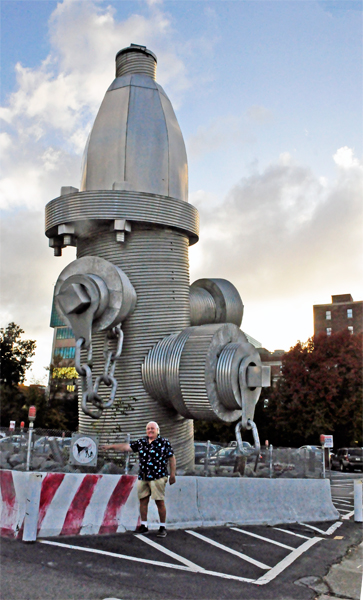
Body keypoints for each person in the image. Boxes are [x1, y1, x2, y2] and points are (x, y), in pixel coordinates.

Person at [101, 421, 176, 537]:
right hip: (143, 476)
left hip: (158, 476)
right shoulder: (142, 442)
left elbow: (171, 458)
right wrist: (111, 446)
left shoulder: (164, 442)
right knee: (143, 501)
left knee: (159, 501)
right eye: (148, 429)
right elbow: (126, 447)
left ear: (157, 430)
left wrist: (172, 475)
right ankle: (144, 525)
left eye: (152, 428)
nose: (150, 430)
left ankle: (162, 527)